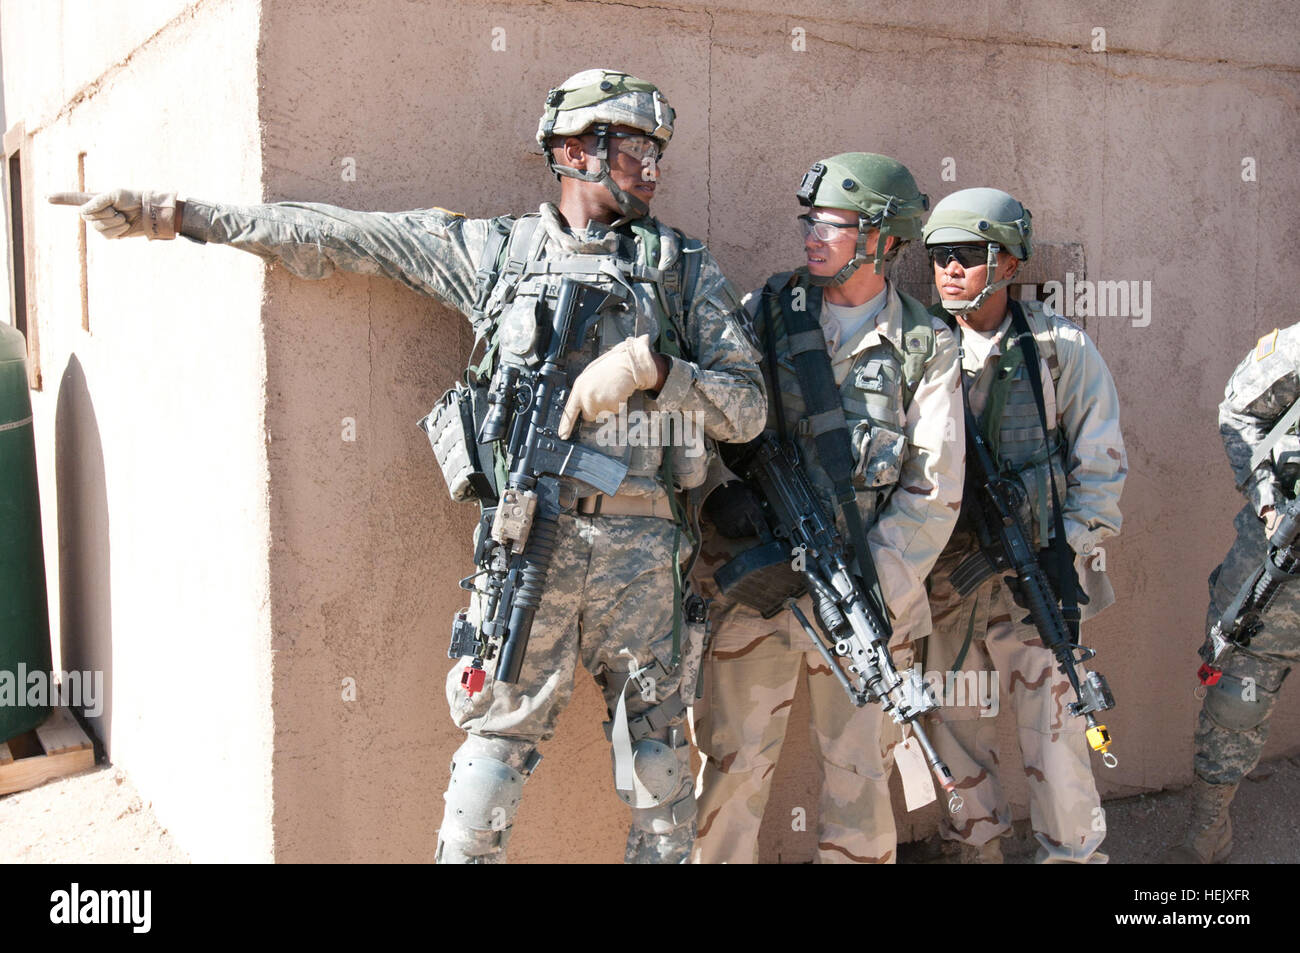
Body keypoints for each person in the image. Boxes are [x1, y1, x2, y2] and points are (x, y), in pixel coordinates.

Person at [51, 68, 766, 864]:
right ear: (572, 149)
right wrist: (171, 214)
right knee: (486, 775)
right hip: (536, 545)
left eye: (655, 149)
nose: (652, 166)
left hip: (643, 563)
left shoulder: (682, 271)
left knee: (661, 782)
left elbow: (749, 407)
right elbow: (340, 235)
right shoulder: (496, 253)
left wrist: (657, 370)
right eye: (632, 145)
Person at [690, 153, 964, 864]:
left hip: (864, 599)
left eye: (832, 224)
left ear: (881, 238)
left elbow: (933, 489)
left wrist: (869, 593)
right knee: (731, 771)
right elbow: (717, 421)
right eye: (809, 221)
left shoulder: (925, 346)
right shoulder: (767, 313)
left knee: (860, 777)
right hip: (758, 592)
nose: (812, 235)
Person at [920, 187, 1127, 863]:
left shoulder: (1057, 348)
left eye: (966, 255)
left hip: (1036, 580)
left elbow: (1100, 465)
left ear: (1008, 262)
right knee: (956, 746)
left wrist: (1069, 550)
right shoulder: (917, 348)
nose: (948, 269)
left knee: (1060, 743)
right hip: (950, 589)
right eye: (938, 255)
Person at [1162, 324, 1300, 863]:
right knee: (1236, 695)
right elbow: (1241, 413)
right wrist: (1270, 505)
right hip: (1281, 558)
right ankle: (1208, 830)